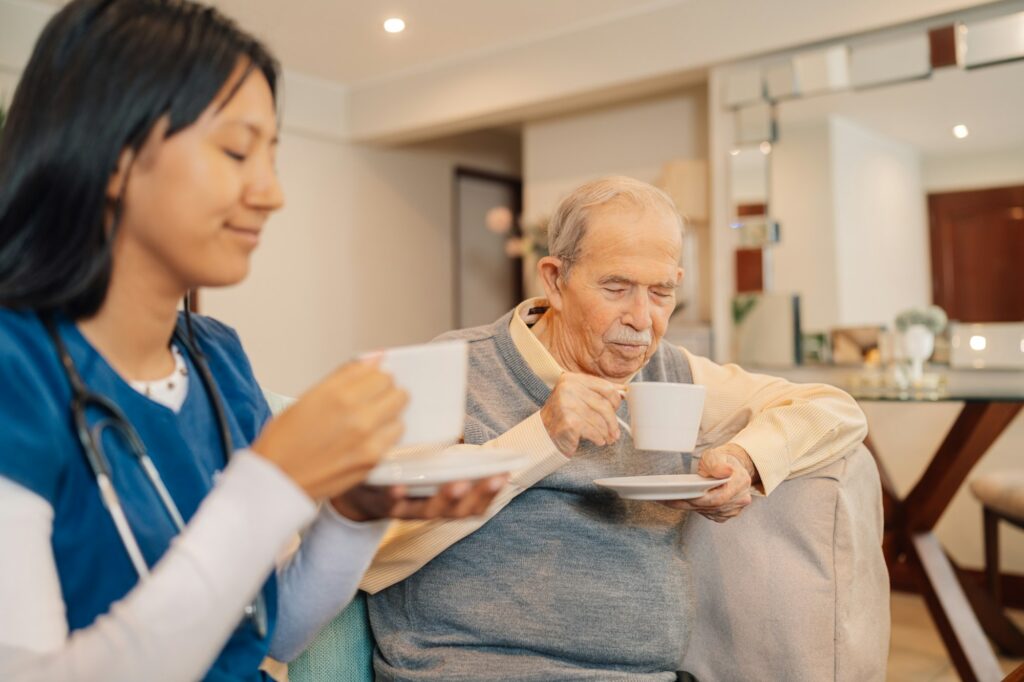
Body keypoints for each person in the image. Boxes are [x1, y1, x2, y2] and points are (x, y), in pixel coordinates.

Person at [0, 2, 502, 680]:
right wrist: (274, 481)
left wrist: (352, 516)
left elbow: (267, 637)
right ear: (113, 154)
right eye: (238, 151)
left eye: (272, 155)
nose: (272, 193)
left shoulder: (217, 359)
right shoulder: (16, 369)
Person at [362, 176, 870, 680]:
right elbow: (372, 546)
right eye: (617, 287)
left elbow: (835, 411)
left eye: (661, 292)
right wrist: (540, 438)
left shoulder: (671, 376)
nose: (642, 319)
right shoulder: (449, 368)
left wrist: (745, 459)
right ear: (555, 280)